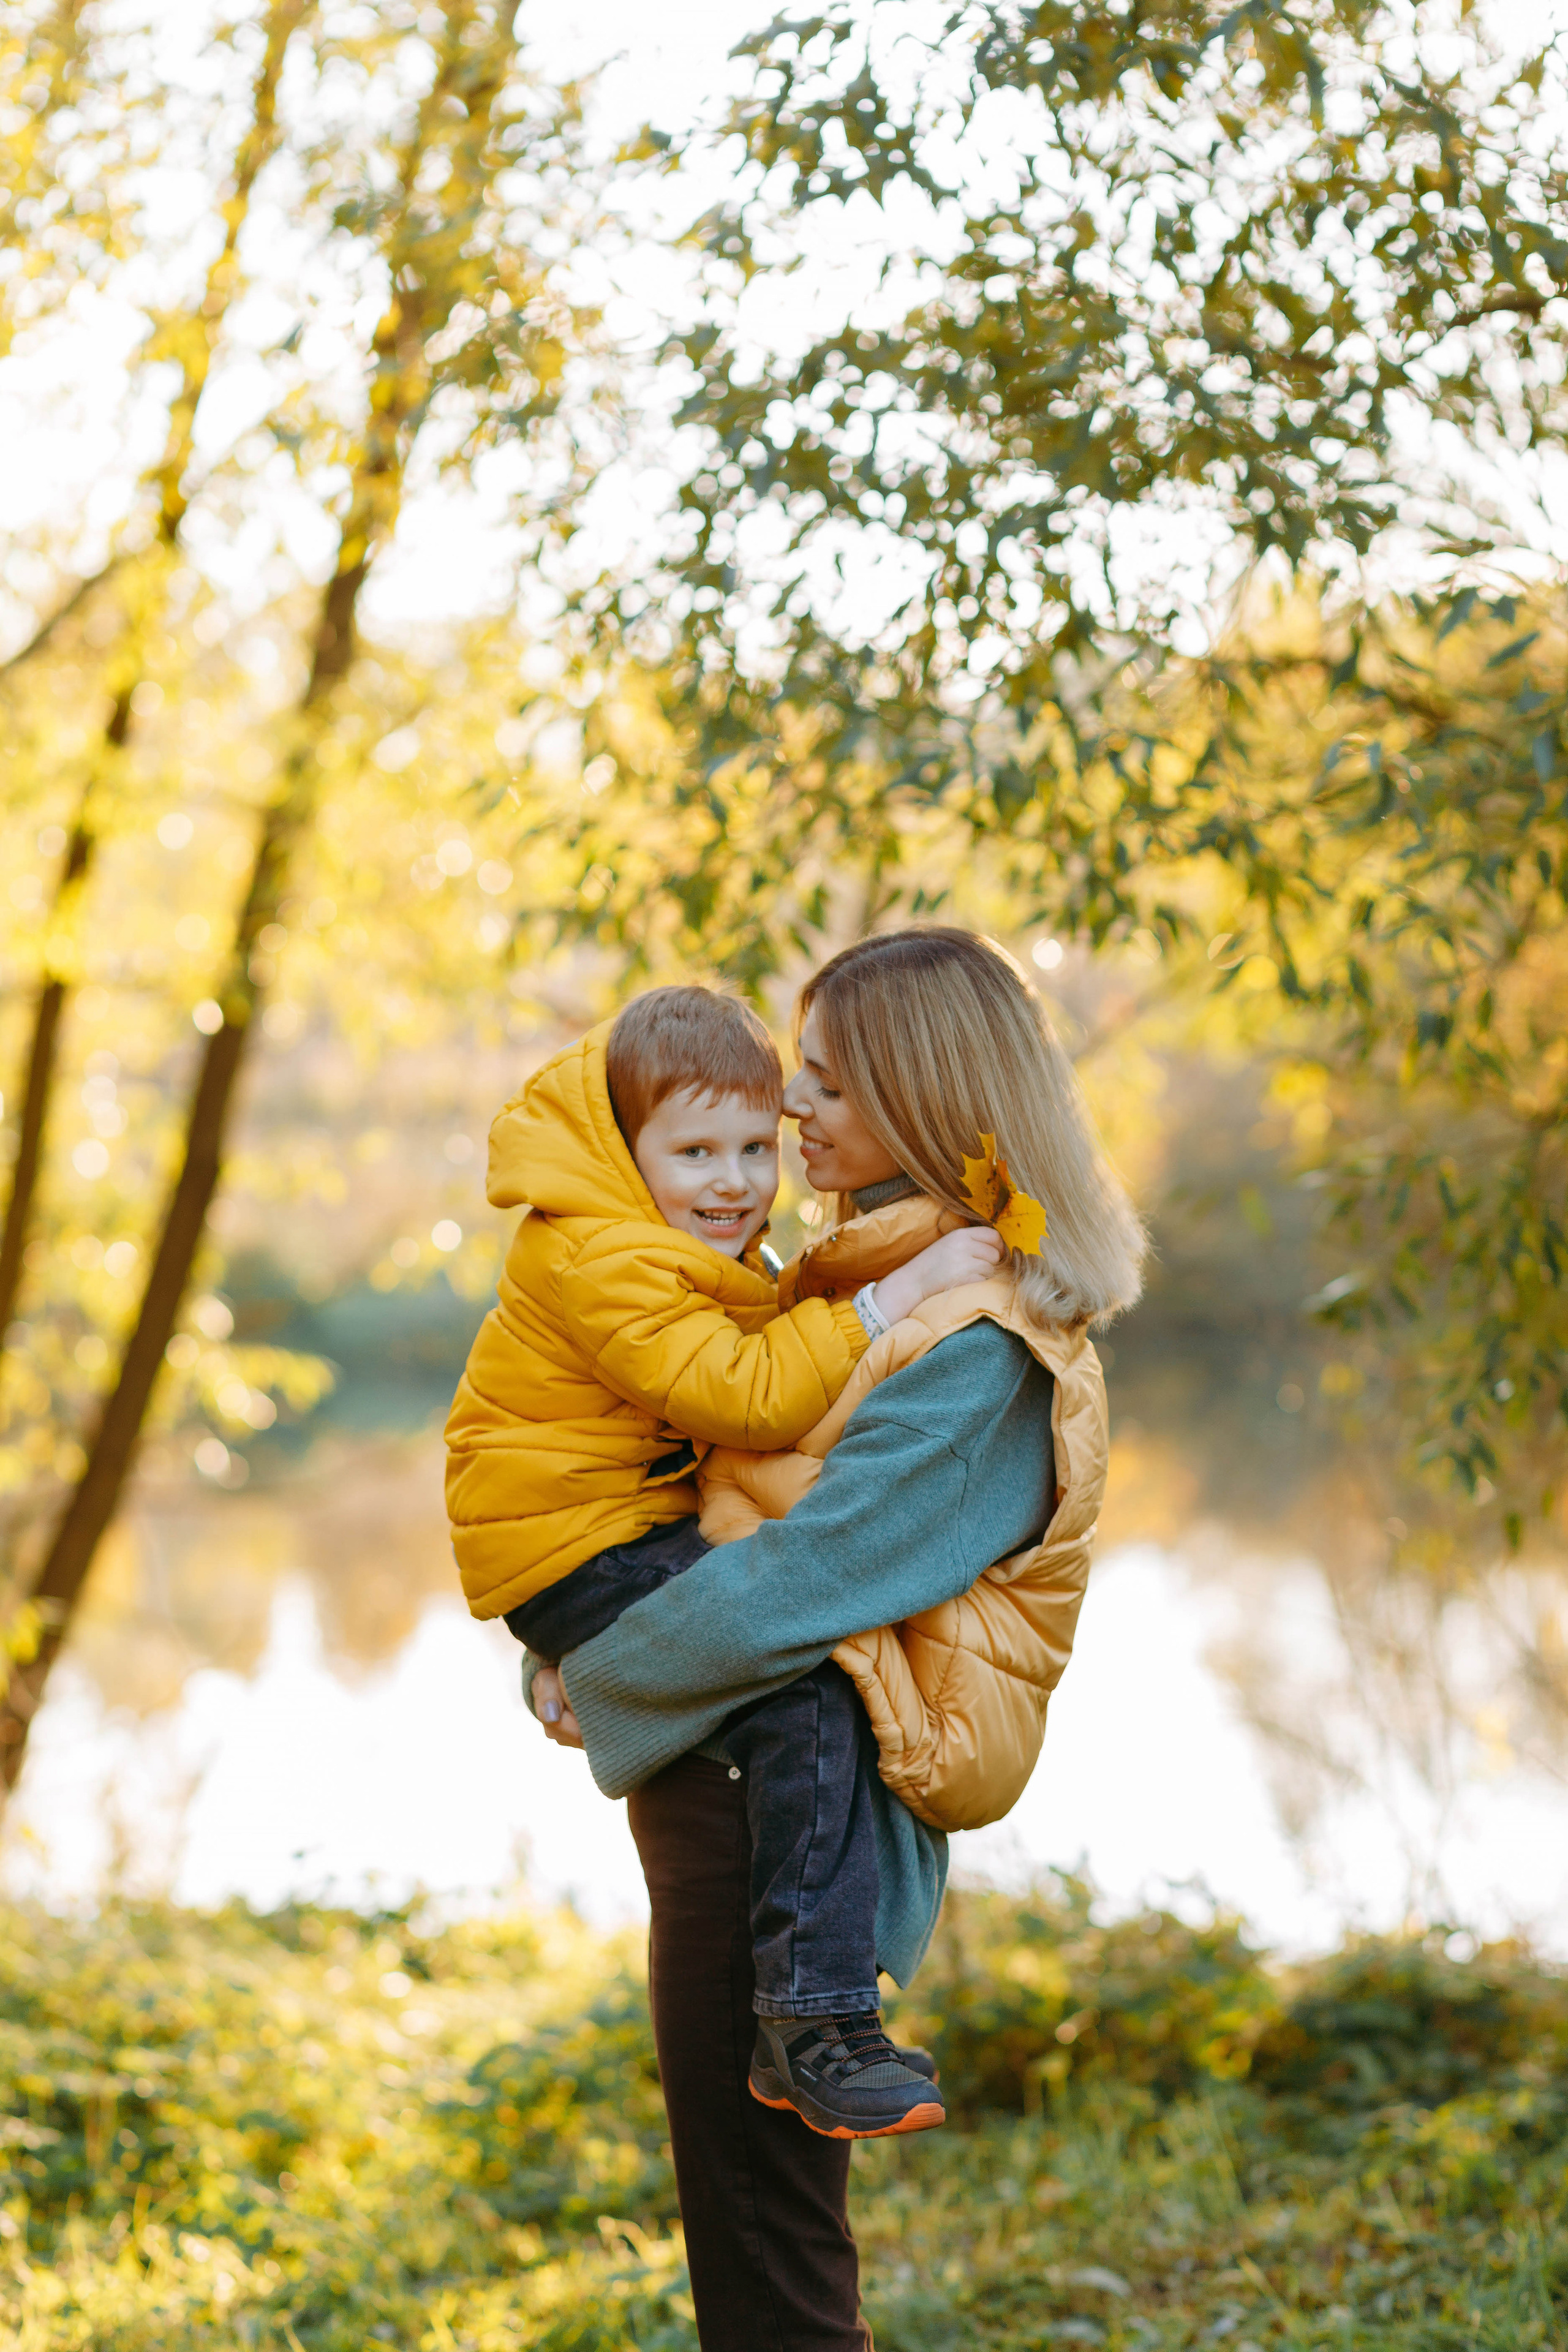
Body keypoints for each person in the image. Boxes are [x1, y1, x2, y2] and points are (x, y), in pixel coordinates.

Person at [532, 927, 1146, 2352]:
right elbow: (692, 1487)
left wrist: (591, 1678)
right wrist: (561, 1622)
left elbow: (805, 1577)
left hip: (790, 1834)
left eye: (827, 1082)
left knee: (772, 2262)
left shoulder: (983, 1346)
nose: (789, 1107)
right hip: (733, 1783)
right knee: (752, 2234)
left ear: (928, 1100)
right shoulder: (847, 1282)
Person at [445, 984, 1000, 2136]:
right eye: (695, 1152)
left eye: (756, 1148)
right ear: (623, 1150)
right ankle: (812, 2022)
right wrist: (895, 1296)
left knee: (805, 1684)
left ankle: (816, 2024)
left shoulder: (680, 1245)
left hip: (614, 1531)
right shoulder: (602, 1256)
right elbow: (742, 1395)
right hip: (579, 1545)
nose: (737, 1180)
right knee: (804, 1692)